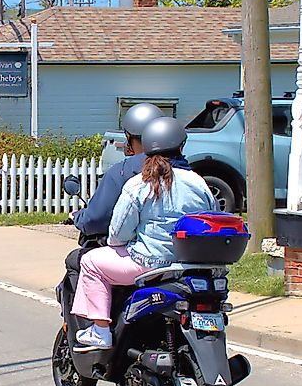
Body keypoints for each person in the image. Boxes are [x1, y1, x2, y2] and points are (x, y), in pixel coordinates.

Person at [72, 117, 218, 352]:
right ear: (182, 146)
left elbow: (118, 234)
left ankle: (100, 329)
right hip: (190, 267)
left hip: (147, 265)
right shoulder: (199, 183)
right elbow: (212, 218)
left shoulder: (139, 183)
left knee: (90, 261)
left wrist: (120, 242)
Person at [72, 103, 175, 237]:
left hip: (141, 250)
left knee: (75, 258)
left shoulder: (122, 172)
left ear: (130, 137)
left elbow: (95, 221)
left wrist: (78, 217)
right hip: (182, 248)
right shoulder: (186, 172)